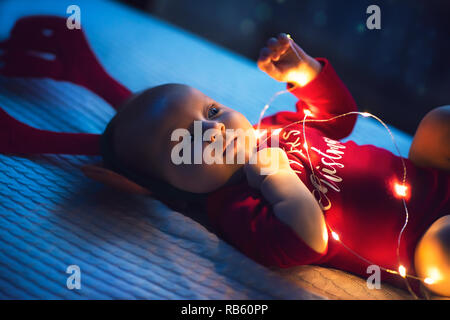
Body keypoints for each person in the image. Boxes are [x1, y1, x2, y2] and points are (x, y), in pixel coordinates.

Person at [1, 16, 448, 297]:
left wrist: (304, 72)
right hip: (421, 239)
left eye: (212, 110)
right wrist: (279, 181)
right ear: (169, 187)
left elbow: (337, 119)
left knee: (439, 123)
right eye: (187, 143)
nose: (214, 128)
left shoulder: (271, 128)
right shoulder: (234, 208)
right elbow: (305, 242)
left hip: (428, 175)